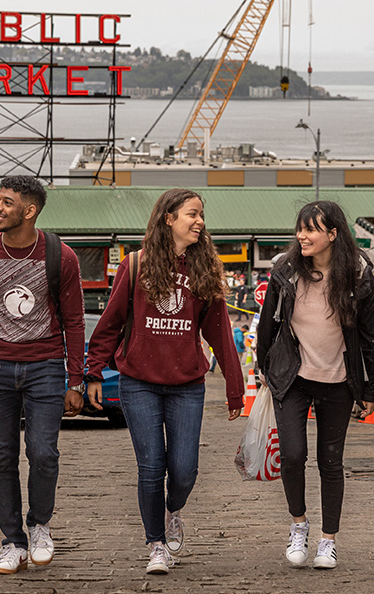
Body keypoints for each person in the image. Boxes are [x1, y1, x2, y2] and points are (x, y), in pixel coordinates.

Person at [85, 188, 244, 575]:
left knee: (185, 469)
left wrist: (234, 388)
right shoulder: (135, 265)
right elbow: (110, 323)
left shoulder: (205, 270)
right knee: (152, 466)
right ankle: (156, 543)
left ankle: (173, 510)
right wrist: (93, 372)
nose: (200, 221)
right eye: (192, 214)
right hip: (138, 382)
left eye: (201, 214)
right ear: (168, 218)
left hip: (187, 384)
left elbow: (220, 332)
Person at [0, 175, 86, 576]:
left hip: (45, 367)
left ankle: (39, 525)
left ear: (29, 211)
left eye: (6, 202)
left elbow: (74, 321)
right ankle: (12, 542)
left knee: (43, 453)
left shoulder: (61, 256)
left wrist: (75, 380)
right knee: (1, 457)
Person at [256, 200, 374, 570]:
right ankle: (298, 525)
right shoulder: (286, 270)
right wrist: (264, 368)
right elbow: (268, 325)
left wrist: (370, 389)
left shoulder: (358, 276)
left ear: (333, 234)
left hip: (338, 381)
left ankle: (328, 540)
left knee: (331, 461)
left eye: (311, 229)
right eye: (300, 228)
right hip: (292, 377)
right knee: (293, 455)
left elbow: (369, 337)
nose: (302, 236)